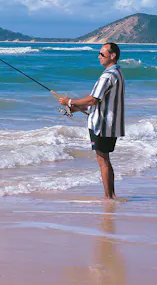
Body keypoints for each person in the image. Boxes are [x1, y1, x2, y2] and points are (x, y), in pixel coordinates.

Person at [57, 42, 125, 200]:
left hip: (101, 125)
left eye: (102, 54)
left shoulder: (108, 75)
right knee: (106, 159)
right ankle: (112, 195)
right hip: (110, 124)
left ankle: (108, 197)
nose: (99, 57)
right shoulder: (118, 73)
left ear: (112, 55)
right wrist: (73, 107)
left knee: (103, 160)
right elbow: (101, 101)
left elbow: (93, 100)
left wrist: (69, 102)